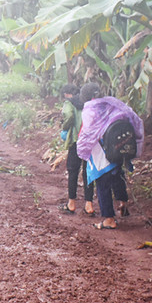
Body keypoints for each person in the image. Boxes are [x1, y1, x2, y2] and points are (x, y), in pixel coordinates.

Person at [75, 83, 144, 230]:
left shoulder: (89, 110)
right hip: (118, 149)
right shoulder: (111, 104)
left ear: (85, 97)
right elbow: (131, 117)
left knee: (103, 185)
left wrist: (82, 148)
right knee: (118, 177)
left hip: (102, 153)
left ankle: (109, 219)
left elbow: (87, 133)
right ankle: (123, 203)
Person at [59, 83, 96, 216]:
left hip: (76, 140)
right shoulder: (89, 102)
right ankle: (89, 205)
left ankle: (71, 203)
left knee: (73, 171)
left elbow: (68, 116)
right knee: (88, 172)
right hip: (89, 141)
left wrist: (64, 127)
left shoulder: (69, 103)